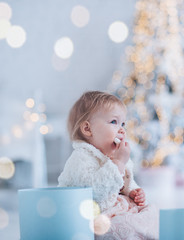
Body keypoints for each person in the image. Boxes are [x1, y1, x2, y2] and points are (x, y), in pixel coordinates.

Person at [58, 91, 159, 239]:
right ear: (87, 129)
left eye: (123, 123)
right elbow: (95, 191)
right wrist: (118, 163)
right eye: (114, 122)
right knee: (123, 226)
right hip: (91, 217)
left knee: (151, 211)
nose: (122, 129)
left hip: (116, 209)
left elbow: (125, 180)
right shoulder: (80, 158)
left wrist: (133, 191)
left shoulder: (114, 154)